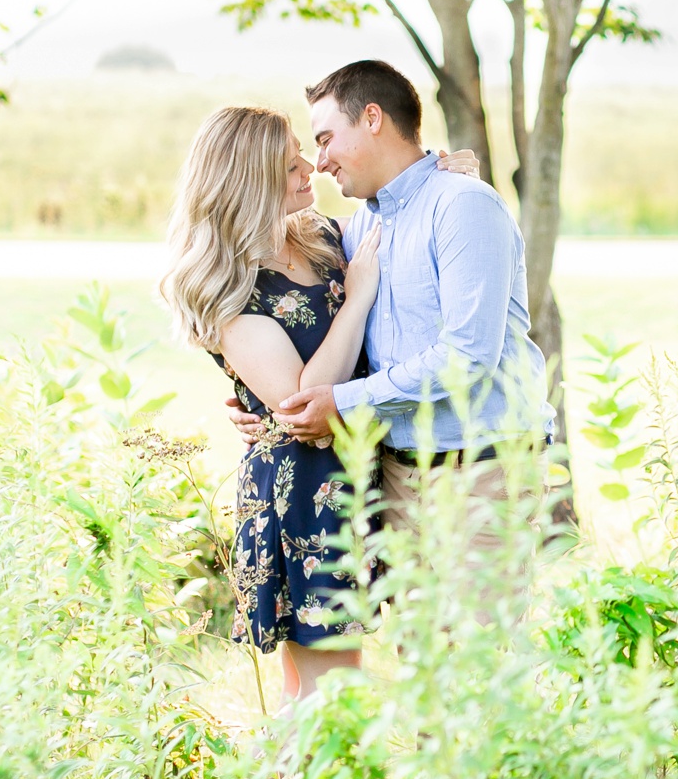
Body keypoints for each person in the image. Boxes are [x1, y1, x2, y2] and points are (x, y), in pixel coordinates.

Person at [161, 104, 479, 706]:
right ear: (248, 182)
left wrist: (442, 173)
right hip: (304, 490)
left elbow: (405, 201)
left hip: (363, 471)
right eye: (288, 166)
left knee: (322, 681)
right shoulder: (229, 287)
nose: (311, 167)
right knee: (329, 686)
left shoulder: (324, 237)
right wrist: (356, 299)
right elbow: (306, 405)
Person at [226, 59, 555, 625]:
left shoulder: (462, 205)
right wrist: (260, 401)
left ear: (372, 118)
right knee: (422, 672)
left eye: (326, 138)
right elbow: (320, 330)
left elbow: (467, 357)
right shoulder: (358, 230)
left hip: (482, 472)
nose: (319, 161)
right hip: (399, 478)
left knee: (477, 666)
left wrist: (339, 405)